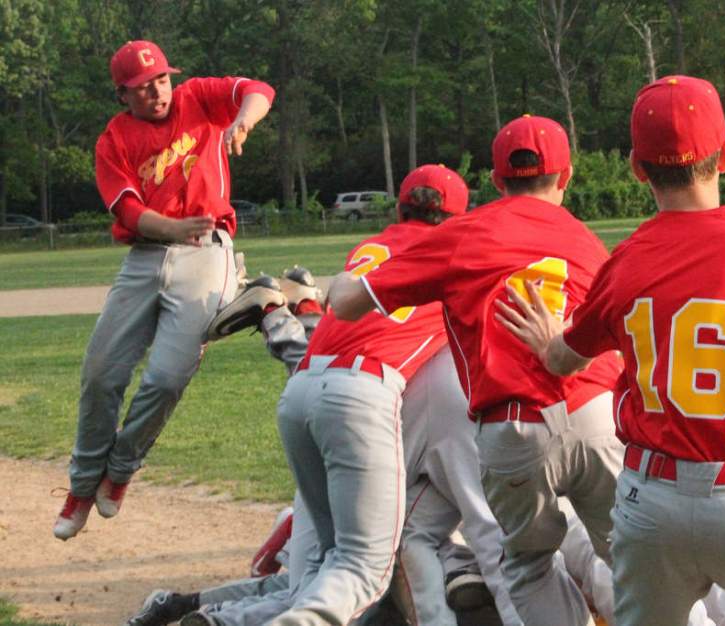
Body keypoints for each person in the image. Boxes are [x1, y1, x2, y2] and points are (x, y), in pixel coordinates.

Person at [497, 76, 725, 625]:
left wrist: (546, 341)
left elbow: (565, 359)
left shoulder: (627, 259)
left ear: (637, 167)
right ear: (724, 154)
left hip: (651, 501)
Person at [328, 114, 625, 626]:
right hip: (598, 409)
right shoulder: (587, 242)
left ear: (494, 181)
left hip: (513, 427)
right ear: (567, 176)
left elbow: (350, 303)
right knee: (631, 559)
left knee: (529, 567)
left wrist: (338, 281)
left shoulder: (467, 233)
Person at [54, 40, 274, 541]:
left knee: (167, 377)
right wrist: (172, 230)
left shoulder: (198, 99)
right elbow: (127, 210)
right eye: (141, 87)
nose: (156, 92)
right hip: (146, 254)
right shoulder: (115, 139)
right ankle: (83, 486)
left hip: (207, 250)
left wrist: (243, 122)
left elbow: (258, 90)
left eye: (160, 79)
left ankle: (121, 469)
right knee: (101, 373)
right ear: (122, 96)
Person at [268, 165, 470, 626]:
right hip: (359, 395)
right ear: (456, 219)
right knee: (365, 568)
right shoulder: (453, 253)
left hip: (300, 390)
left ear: (400, 207)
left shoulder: (369, 247)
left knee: (329, 559)